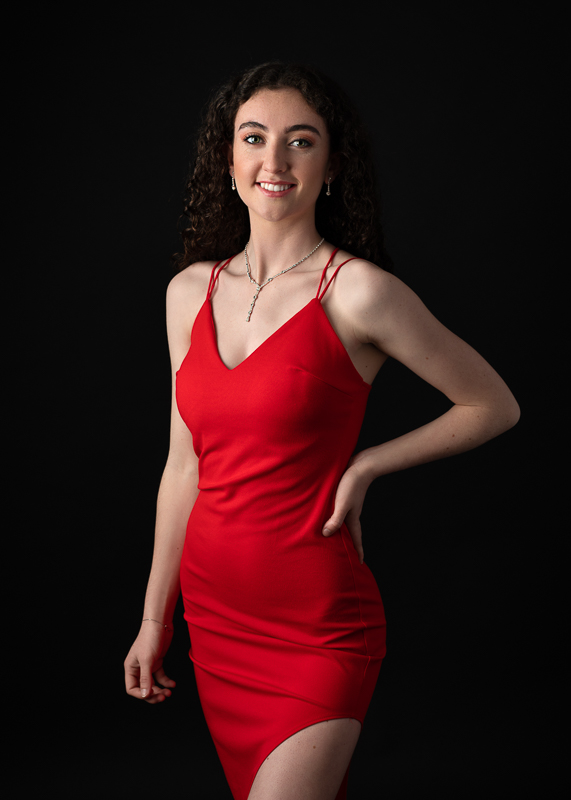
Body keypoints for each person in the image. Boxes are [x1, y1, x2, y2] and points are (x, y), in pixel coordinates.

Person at [124, 62, 519, 800]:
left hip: (315, 625)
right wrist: (155, 620)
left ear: (331, 165)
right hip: (214, 620)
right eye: (254, 139)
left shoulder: (359, 292)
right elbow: (184, 467)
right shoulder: (189, 292)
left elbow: (493, 404)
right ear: (228, 159)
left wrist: (367, 463)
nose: (274, 162)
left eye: (300, 142)